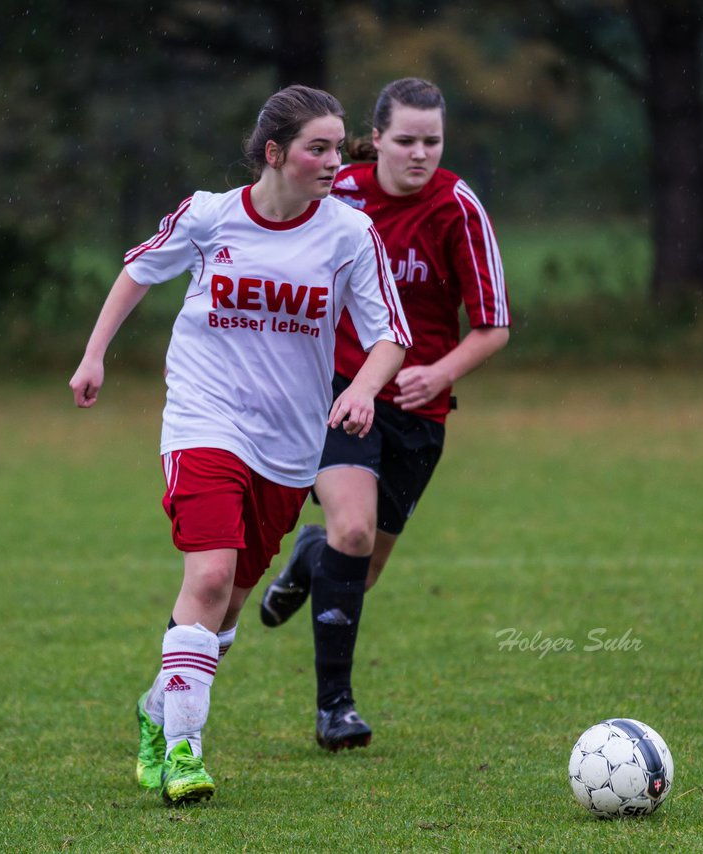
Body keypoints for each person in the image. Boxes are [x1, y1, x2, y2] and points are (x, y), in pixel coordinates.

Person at [69, 84, 411, 806]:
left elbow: (390, 335)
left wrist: (362, 389)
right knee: (210, 579)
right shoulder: (210, 215)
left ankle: (158, 709)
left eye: (337, 145)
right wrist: (95, 353)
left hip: (288, 446)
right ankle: (186, 755)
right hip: (204, 421)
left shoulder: (349, 234)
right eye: (317, 148)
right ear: (274, 153)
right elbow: (137, 270)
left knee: (224, 612)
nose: (332, 160)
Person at [258, 78, 510, 749]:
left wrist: (442, 371)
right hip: (340, 390)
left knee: (358, 564)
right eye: (406, 140)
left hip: (418, 409)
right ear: (378, 139)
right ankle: (334, 709)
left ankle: (310, 558)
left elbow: (494, 327)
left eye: (432, 140)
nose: (419, 153)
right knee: (353, 527)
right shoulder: (336, 194)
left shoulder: (457, 207)